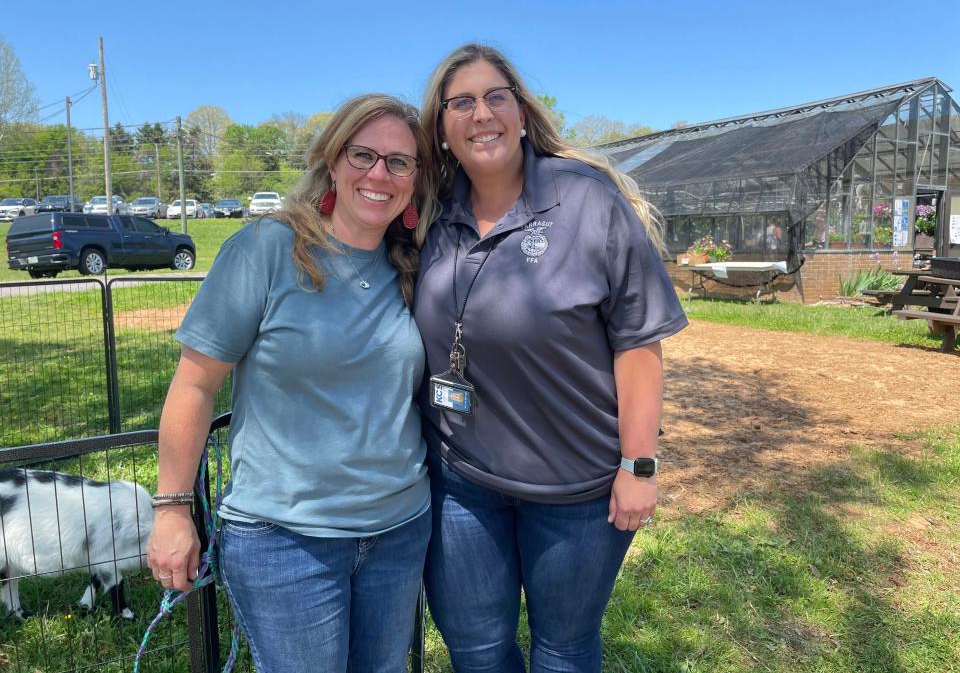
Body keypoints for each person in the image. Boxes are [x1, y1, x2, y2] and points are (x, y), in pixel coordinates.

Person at [413, 44, 688, 672]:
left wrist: (638, 467)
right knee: (477, 654)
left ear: (520, 112)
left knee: (562, 651)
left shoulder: (587, 202)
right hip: (461, 481)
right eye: (461, 102)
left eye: (495, 97)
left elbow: (639, 343)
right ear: (442, 127)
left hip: (578, 489)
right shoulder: (427, 211)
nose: (480, 114)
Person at [146, 94, 438, 673]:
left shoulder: (414, 266)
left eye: (399, 162)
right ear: (332, 161)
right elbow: (195, 386)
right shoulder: (268, 250)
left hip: (399, 531)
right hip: (285, 539)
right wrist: (173, 509)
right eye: (363, 155)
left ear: (416, 180)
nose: (379, 174)